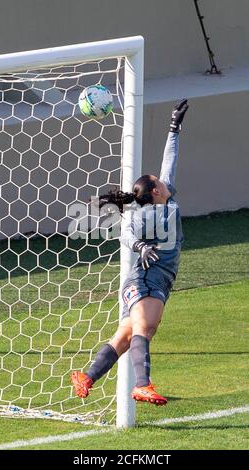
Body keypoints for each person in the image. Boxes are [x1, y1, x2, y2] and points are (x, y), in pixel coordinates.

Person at [71, 99, 189, 406]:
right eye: (159, 182)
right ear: (155, 191)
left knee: (127, 335)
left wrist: (174, 128)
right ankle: (142, 384)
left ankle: (87, 377)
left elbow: (169, 164)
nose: (164, 181)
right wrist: (140, 246)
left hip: (160, 281)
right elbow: (124, 232)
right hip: (145, 279)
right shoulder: (141, 215)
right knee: (144, 327)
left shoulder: (165, 203)